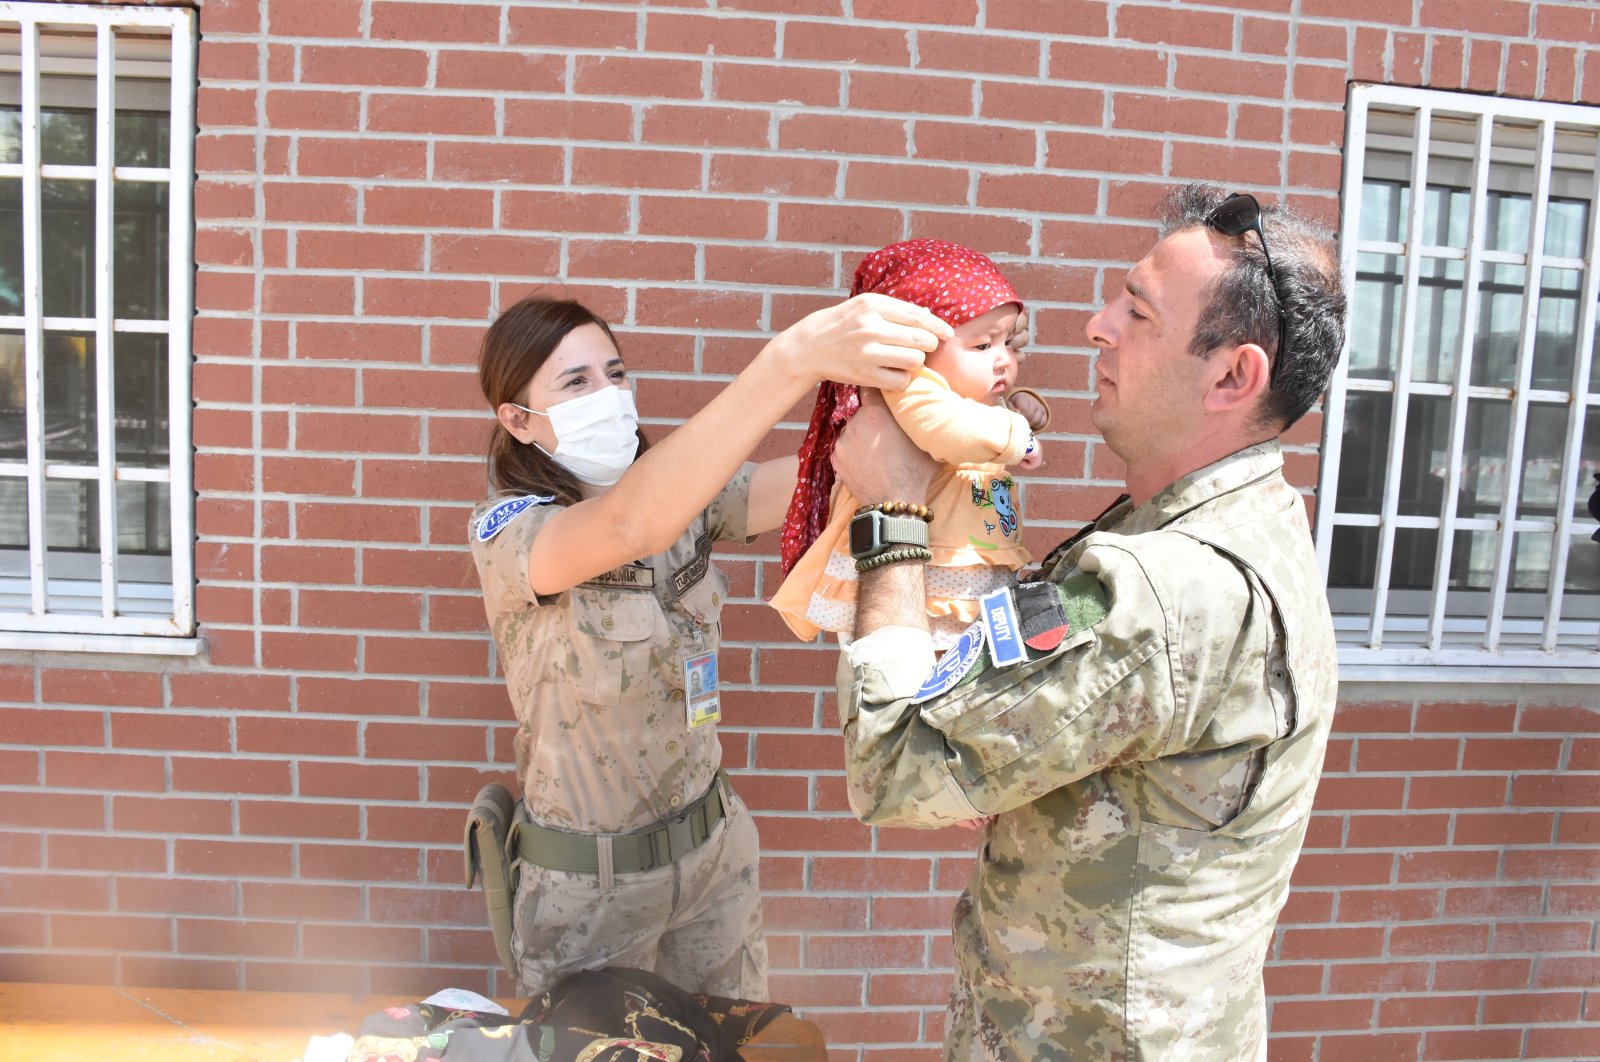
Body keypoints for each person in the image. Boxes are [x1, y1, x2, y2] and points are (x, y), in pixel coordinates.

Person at [829, 183, 1347, 1060]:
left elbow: (891, 764)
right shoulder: (1235, 517)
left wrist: (890, 516)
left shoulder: (1166, 584)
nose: (1096, 326)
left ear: (1234, 374)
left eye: (1136, 312)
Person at [468, 292, 949, 1000]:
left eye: (615, 373)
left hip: (712, 858)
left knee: (733, 1047)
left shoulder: (680, 491)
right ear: (518, 420)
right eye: (577, 383)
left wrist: (940, 412)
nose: (609, 394)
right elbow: (632, 526)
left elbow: (821, 480)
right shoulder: (510, 531)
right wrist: (790, 361)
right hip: (592, 894)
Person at [769, 239, 1051, 650]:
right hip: (924, 570)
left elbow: (983, 419)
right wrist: (1015, 436)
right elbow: (943, 428)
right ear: (921, 347)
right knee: (917, 666)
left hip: (970, 558)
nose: (1004, 358)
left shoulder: (969, 393)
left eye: (1009, 342)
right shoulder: (912, 387)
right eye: (983, 345)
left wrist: (1020, 409)